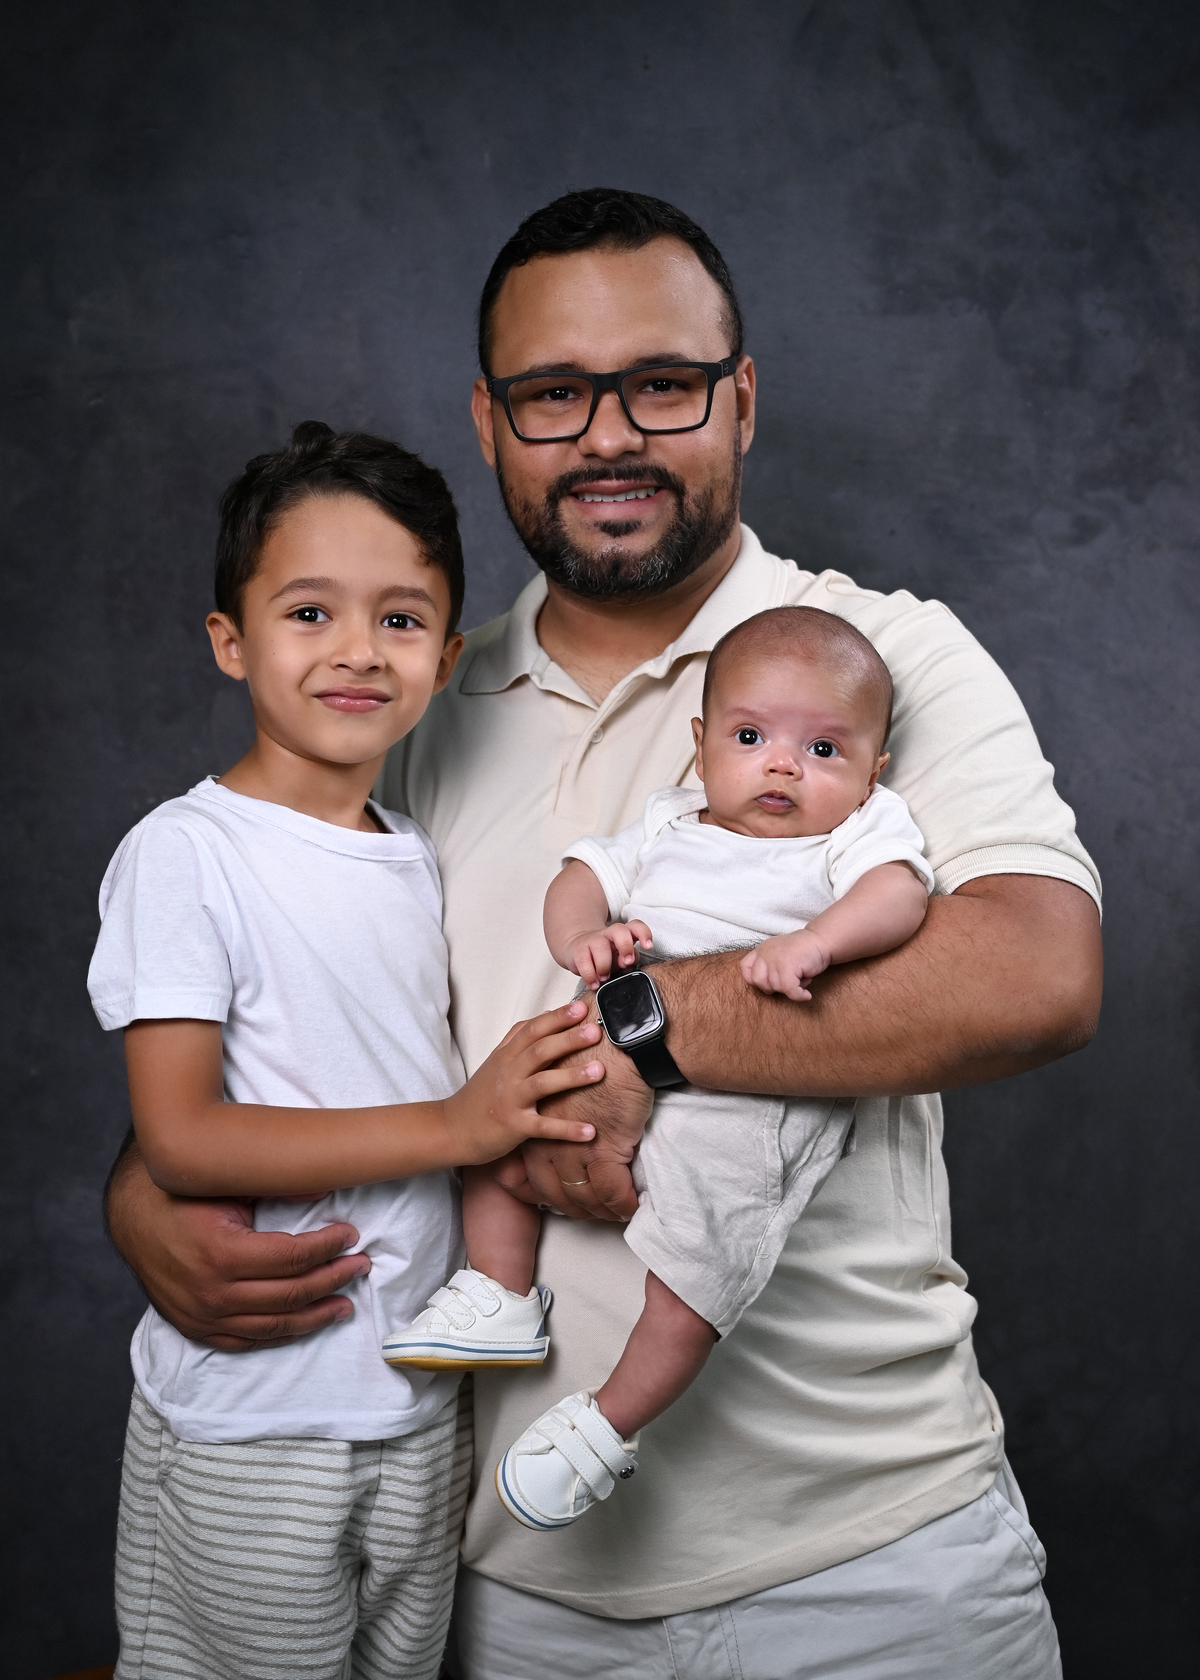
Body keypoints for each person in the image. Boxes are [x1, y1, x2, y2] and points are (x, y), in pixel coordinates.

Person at [105, 190, 1103, 1679]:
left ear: (742, 398)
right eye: (554, 394)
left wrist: (644, 1035)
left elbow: (1035, 974)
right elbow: (277, 1016)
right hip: (514, 1588)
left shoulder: (878, 659)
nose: (609, 436)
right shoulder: (407, 702)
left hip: (877, 1563)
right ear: (491, 421)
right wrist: (147, 1188)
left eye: (663, 384)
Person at [87, 422, 606, 1680]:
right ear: (232, 640)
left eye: (402, 619)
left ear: (448, 655)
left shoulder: (413, 851)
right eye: (310, 612)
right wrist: (460, 1125)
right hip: (255, 1420)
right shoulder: (187, 852)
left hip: (419, 1409)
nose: (359, 650)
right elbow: (181, 1137)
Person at [384, 605, 934, 1537]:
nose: (783, 766)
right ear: (700, 744)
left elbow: (900, 894)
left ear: (872, 772)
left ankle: (607, 1424)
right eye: (751, 738)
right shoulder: (668, 820)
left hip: (749, 1105)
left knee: (697, 1274)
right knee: (498, 1131)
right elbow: (580, 877)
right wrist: (582, 937)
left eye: (824, 750)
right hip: (604, 1039)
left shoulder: (857, 835)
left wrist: (818, 942)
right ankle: (502, 1293)